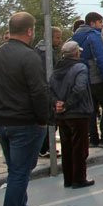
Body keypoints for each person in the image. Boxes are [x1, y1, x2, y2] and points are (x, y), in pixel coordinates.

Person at [0, 12, 48, 206]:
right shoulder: (29, 57)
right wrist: (44, 118)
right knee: (20, 173)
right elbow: (39, 92)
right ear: (30, 31)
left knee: (16, 171)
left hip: (2, 121)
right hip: (24, 122)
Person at [49, 41, 95, 188]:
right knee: (80, 148)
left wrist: (57, 104)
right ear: (76, 53)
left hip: (61, 115)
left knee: (66, 147)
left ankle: (68, 179)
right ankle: (79, 179)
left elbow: (49, 89)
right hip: (78, 113)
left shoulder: (56, 69)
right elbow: (80, 88)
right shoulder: (80, 67)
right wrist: (67, 104)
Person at [72, 12, 103, 148]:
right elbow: (101, 58)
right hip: (97, 79)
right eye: (100, 22)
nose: (102, 25)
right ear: (92, 23)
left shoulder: (75, 37)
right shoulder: (94, 36)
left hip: (83, 80)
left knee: (91, 110)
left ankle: (93, 138)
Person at [36, 27, 63, 157]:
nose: (59, 40)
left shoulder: (44, 50)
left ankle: (46, 146)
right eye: (57, 37)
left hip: (46, 91)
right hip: (47, 91)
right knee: (49, 121)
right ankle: (44, 148)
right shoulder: (44, 53)